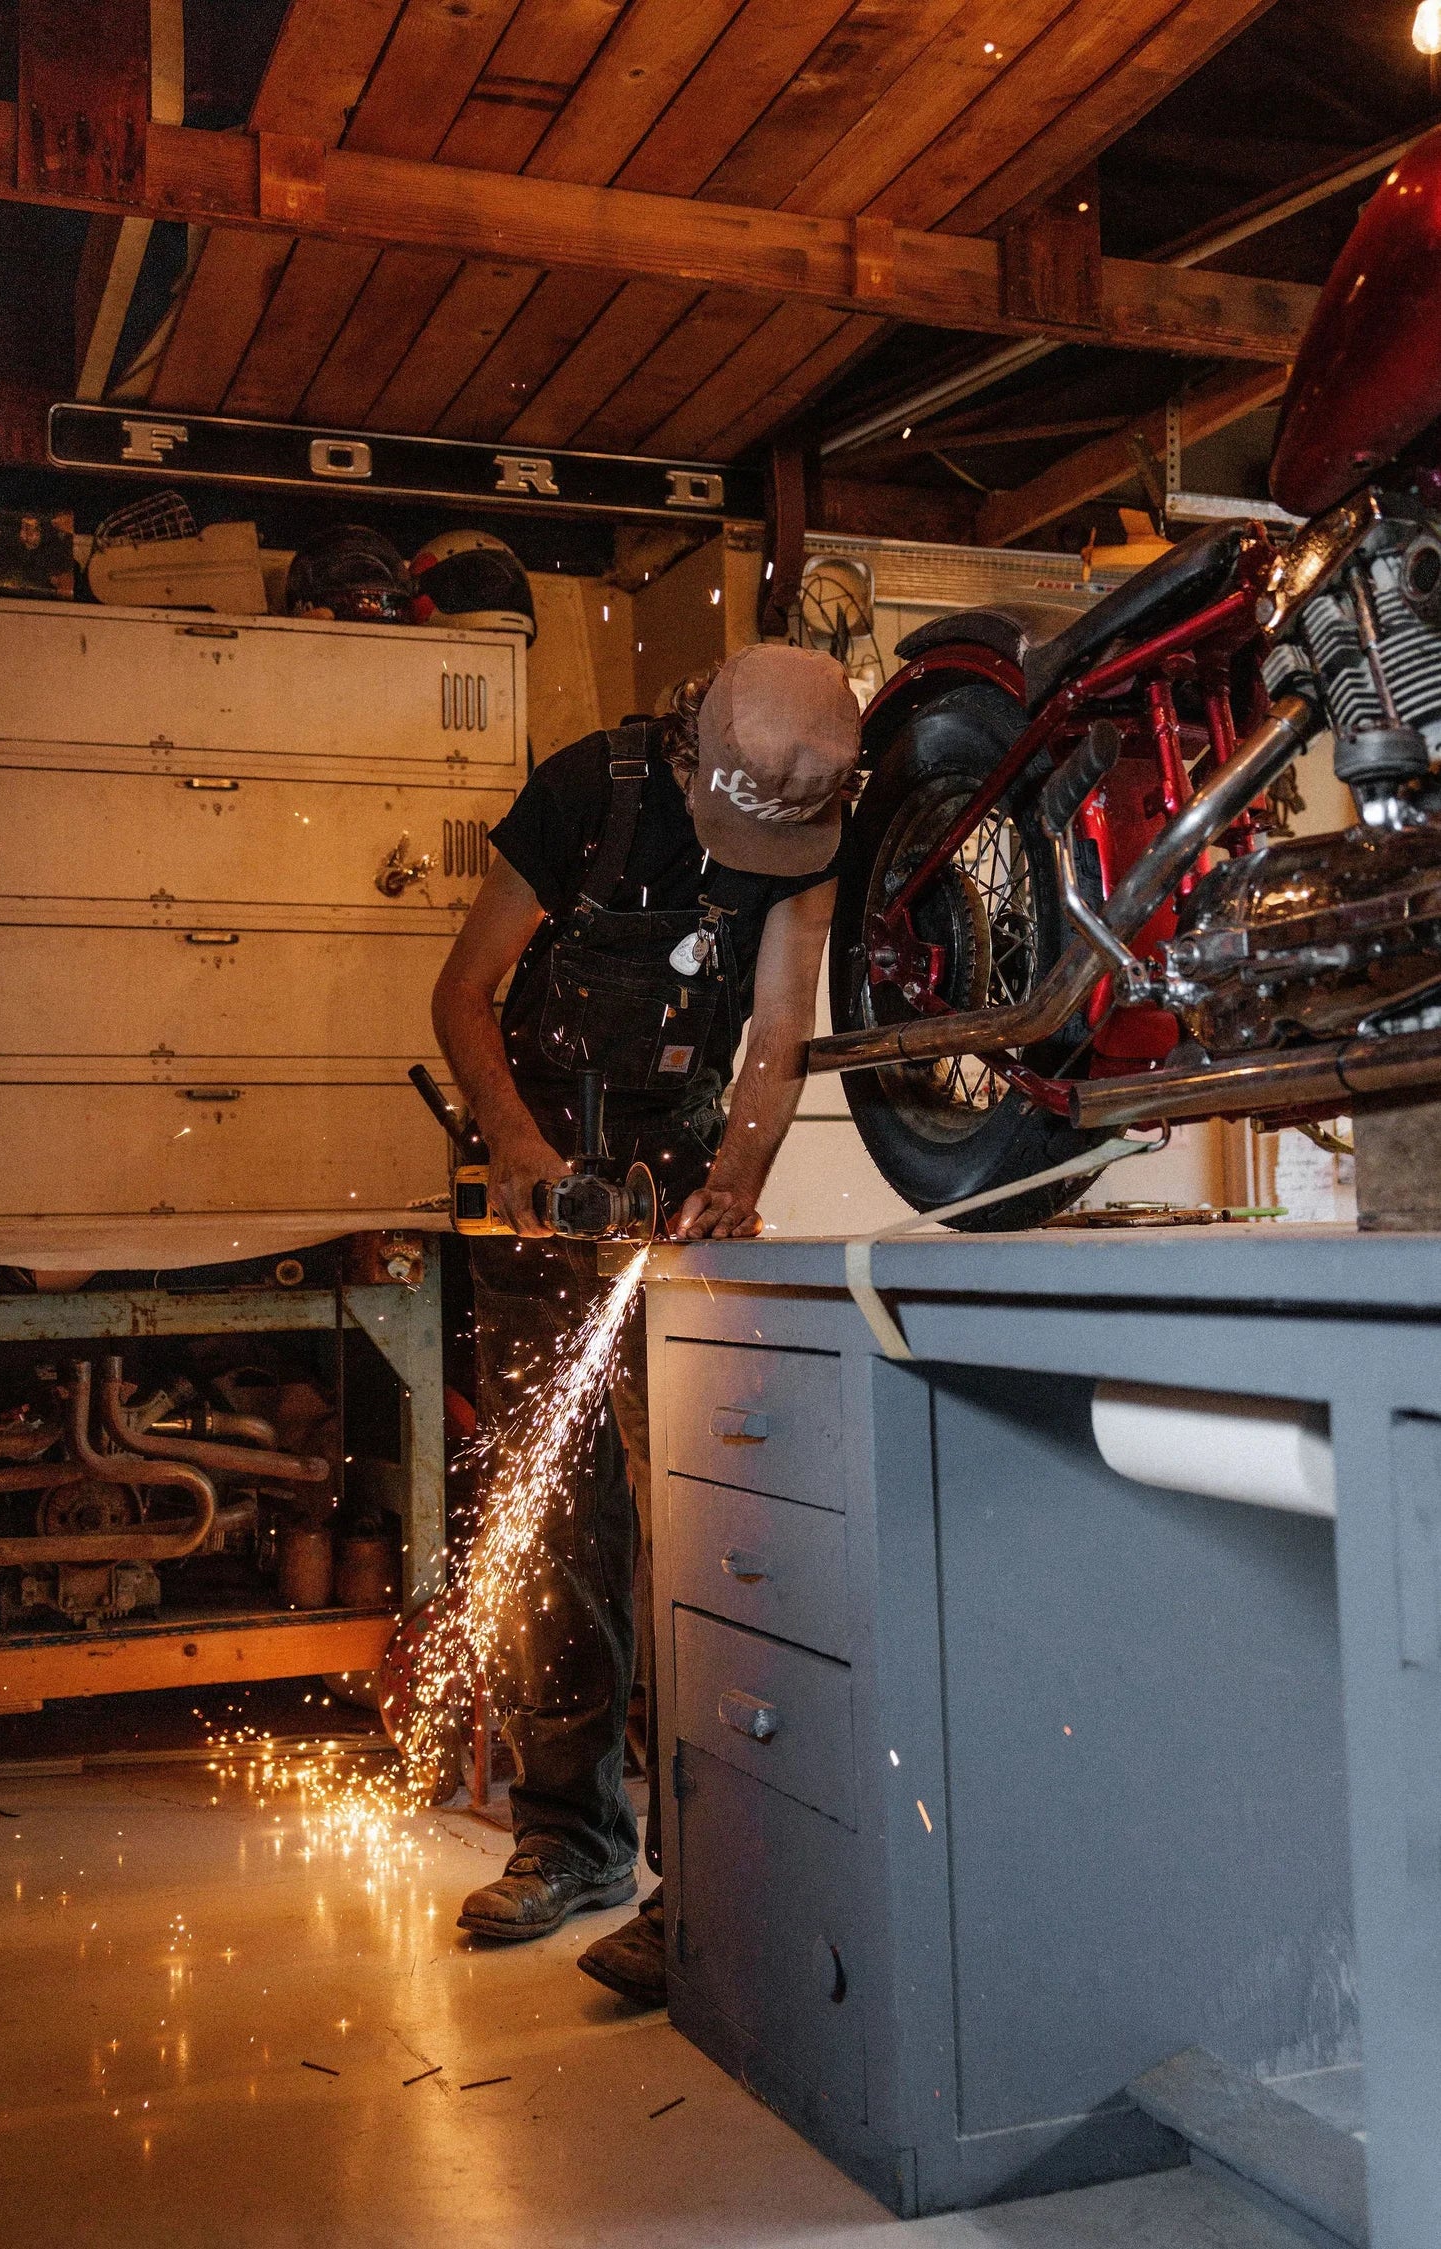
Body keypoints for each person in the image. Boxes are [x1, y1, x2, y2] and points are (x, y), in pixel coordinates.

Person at [430, 640, 861, 2004]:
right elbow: (461, 992)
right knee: (558, 1538)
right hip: (540, 1212)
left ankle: (703, 1879)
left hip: (672, 1226)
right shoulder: (585, 794)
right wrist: (508, 1142)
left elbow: (778, 1035)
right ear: (691, 749)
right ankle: (569, 1845)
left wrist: (736, 1178)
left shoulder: (800, 839)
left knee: (696, 1547)